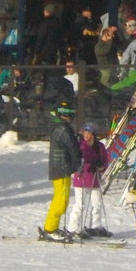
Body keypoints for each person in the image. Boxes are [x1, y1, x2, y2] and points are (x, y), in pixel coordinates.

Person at [40, 100, 81, 242]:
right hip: (61, 168)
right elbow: (73, 148)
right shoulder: (63, 129)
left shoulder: (60, 127)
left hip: (61, 168)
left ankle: (52, 226)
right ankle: (50, 229)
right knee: (61, 201)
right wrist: (79, 161)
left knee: (60, 199)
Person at [64, 123, 112, 240]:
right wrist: (89, 165)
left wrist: (102, 167)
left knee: (97, 203)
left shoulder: (99, 146)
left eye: (89, 134)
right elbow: (79, 159)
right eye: (84, 133)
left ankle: (95, 226)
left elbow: (105, 159)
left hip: (95, 178)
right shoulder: (81, 145)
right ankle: (73, 228)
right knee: (80, 204)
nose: (86, 136)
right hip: (82, 178)